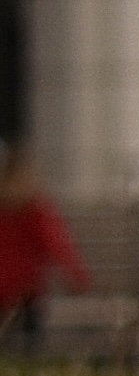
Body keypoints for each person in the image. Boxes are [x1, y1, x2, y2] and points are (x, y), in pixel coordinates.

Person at [0, 148, 85, 354]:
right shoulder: (36, 209)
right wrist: (76, 276)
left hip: (13, 287)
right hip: (26, 288)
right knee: (30, 346)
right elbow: (56, 243)